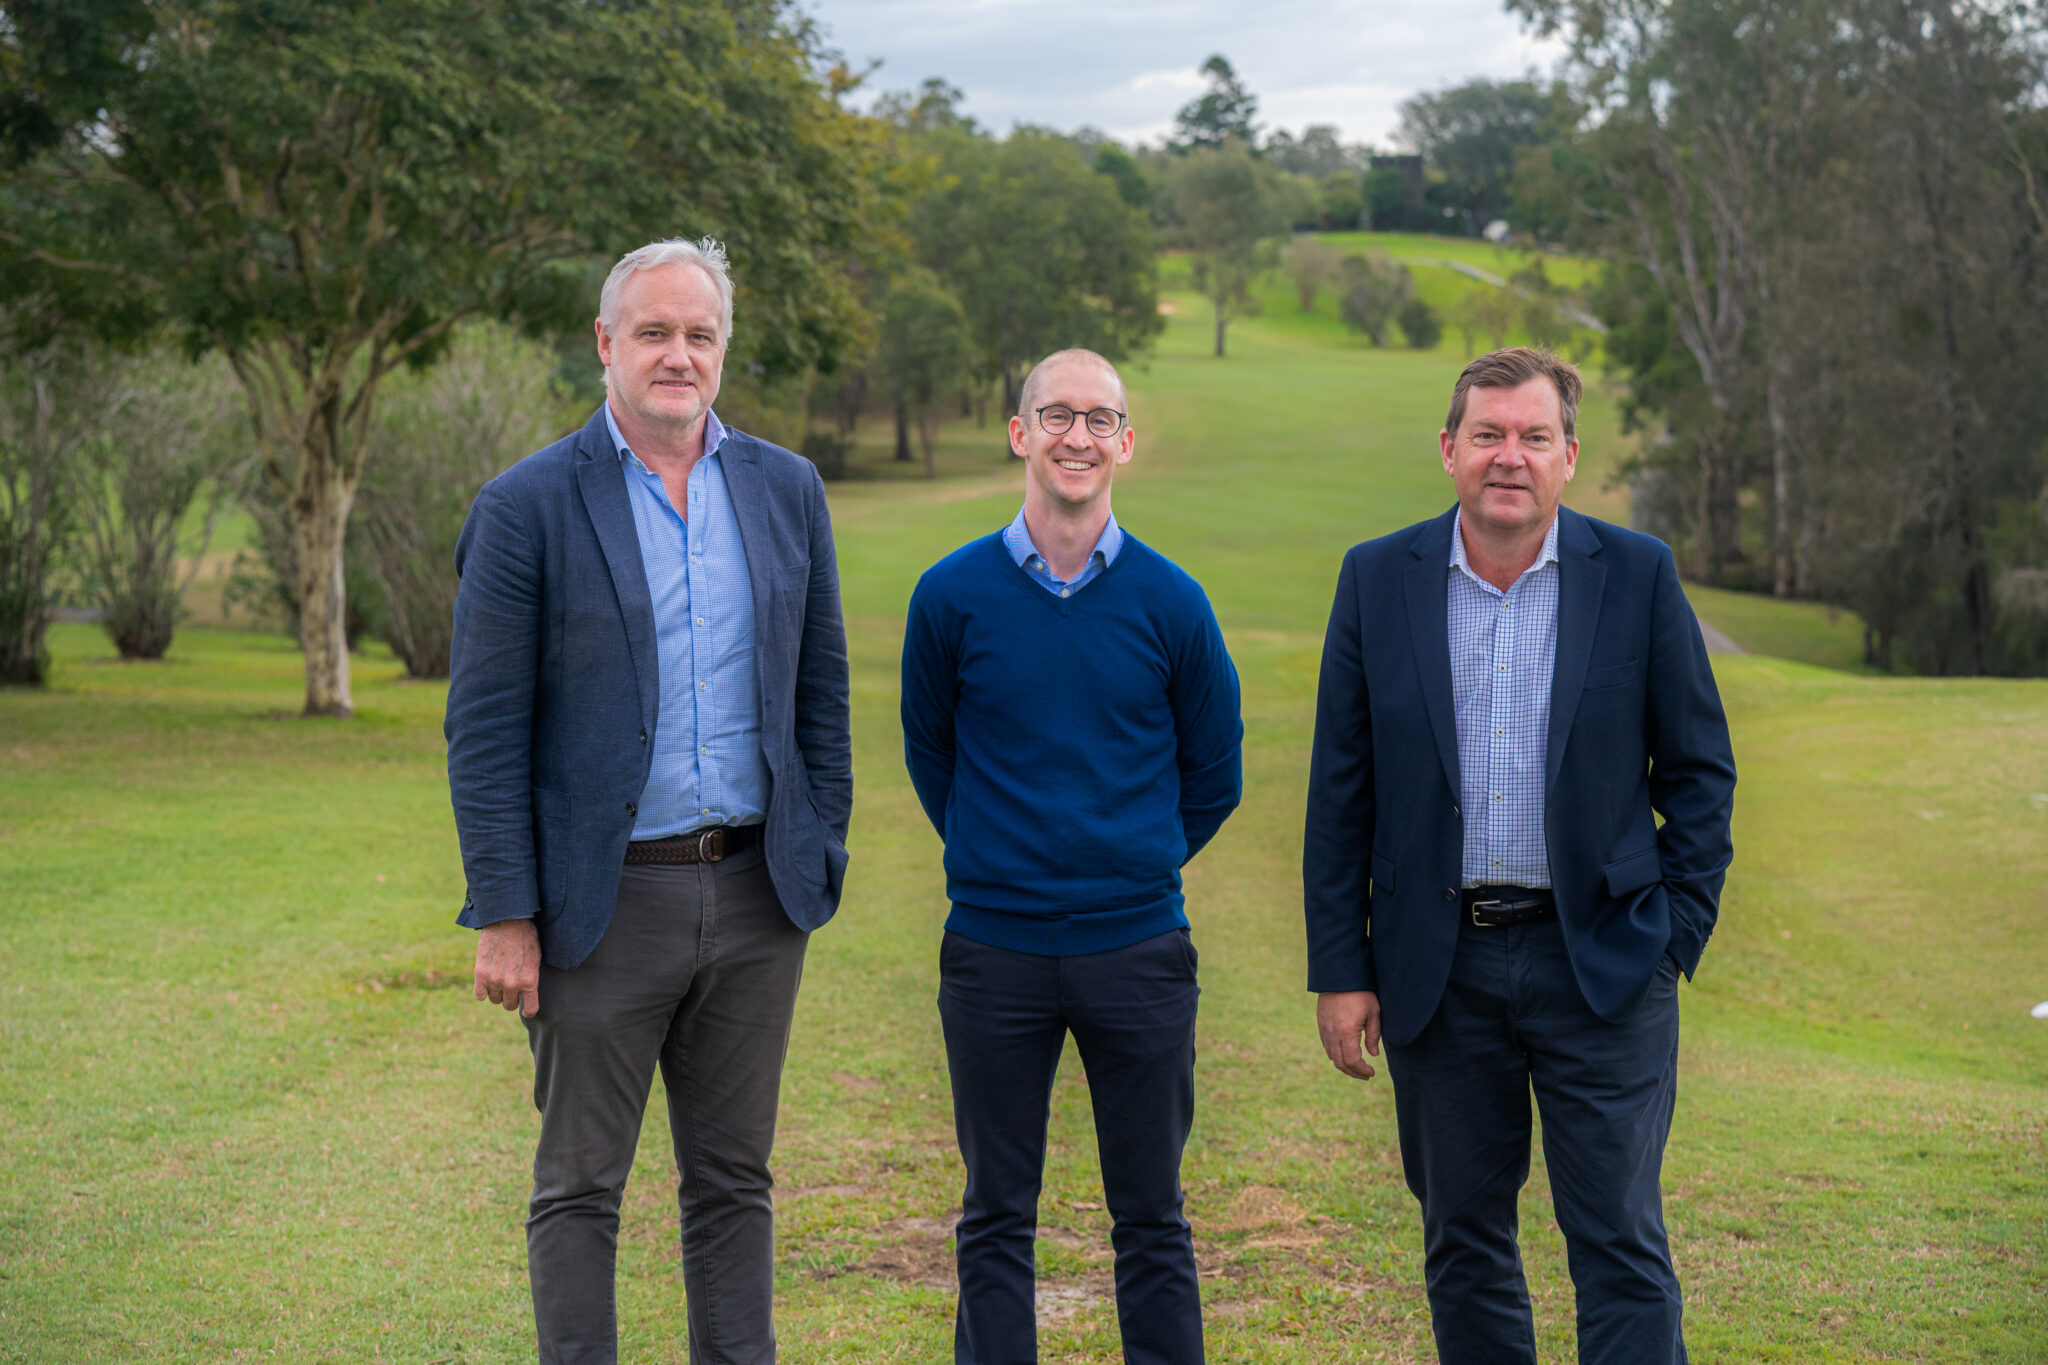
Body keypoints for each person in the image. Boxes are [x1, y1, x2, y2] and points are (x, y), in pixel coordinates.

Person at [445, 237, 851, 1365]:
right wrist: (507, 912)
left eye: (700, 334)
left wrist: (819, 850)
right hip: (600, 909)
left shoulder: (785, 489)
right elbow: (482, 731)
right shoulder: (525, 506)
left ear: (724, 348)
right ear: (606, 344)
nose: (678, 355)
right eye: (655, 333)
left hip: (758, 895)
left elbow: (820, 693)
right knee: (579, 1188)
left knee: (733, 1182)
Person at [1302, 347, 1736, 1364]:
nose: (1509, 456)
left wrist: (1672, 934)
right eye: (1487, 434)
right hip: (1435, 969)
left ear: (1568, 457)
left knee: (1618, 1241)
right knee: (1462, 1240)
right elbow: (1338, 791)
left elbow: (1697, 774)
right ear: (1447, 449)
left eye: (1532, 437)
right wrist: (1340, 969)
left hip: (1603, 965)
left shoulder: (1635, 575)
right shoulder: (1377, 579)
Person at [899, 348, 1243, 1365]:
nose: (1076, 436)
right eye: (1055, 415)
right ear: (1020, 433)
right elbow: (932, 754)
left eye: (1099, 419)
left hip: (1135, 949)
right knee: (995, 1215)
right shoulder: (948, 597)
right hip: (992, 951)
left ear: (1125, 443)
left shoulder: (1171, 604)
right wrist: (993, 853)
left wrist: (1129, 861)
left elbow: (1211, 773)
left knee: (1151, 1217)